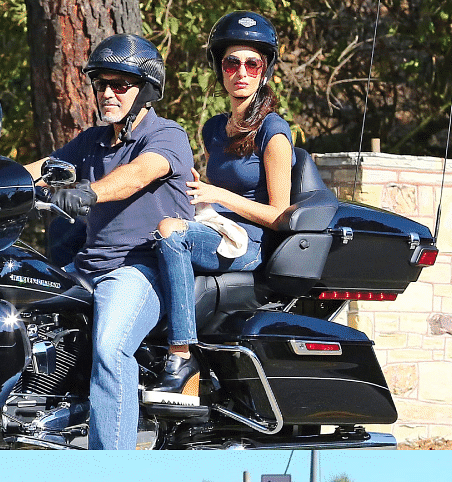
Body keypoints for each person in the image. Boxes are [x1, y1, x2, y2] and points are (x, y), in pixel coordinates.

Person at [23, 34, 196, 449]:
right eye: (101, 83)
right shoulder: (92, 142)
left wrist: (87, 193)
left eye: (120, 85)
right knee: (11, 316)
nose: (107, 92)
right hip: (86, 269)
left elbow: (138, 174)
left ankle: (110, 463)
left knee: (110, 348)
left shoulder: (168, 135)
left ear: (146, 90)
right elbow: (43, 167)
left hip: (140, 268)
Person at [148, 11, 294, 402]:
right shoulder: (214, 128)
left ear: (264, 71)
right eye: (232, 63)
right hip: (214, 226)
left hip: (251, 242)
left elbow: (282, 216)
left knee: (170, 232)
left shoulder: (274, 132)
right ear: (221, 70)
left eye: (252, 63)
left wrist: (220, 195)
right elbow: (212, 187)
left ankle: (182, 356)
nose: (241, 72)